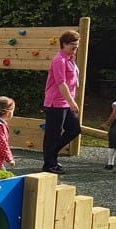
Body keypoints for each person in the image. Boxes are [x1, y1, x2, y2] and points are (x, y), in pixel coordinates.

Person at [42, 30, 82, 174]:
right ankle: (49, 164)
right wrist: (72, 102)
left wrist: (70, 101)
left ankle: (51, 155)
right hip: (55, 102)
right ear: (64, 44)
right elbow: (61, 83)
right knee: (53, 134)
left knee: (74, 129)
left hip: (65, 102)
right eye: (72, 45)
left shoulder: (70, 58)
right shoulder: (59, 60)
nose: (75, 48)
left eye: (77, 46)